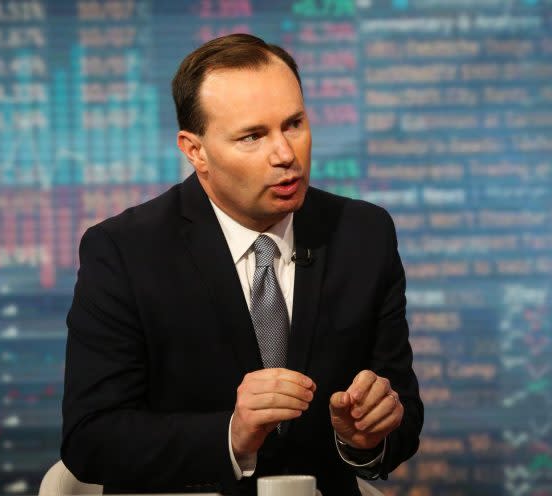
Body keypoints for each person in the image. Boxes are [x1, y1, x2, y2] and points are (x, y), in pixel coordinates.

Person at [61, 33, 422, 495]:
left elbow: (403, 417)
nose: (285, 154)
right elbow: (91, 439)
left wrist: (366, 438)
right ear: (195, 151)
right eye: (253, 136)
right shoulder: (124, 252)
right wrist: (231, 436)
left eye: (294, 124)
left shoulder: (362, 235)